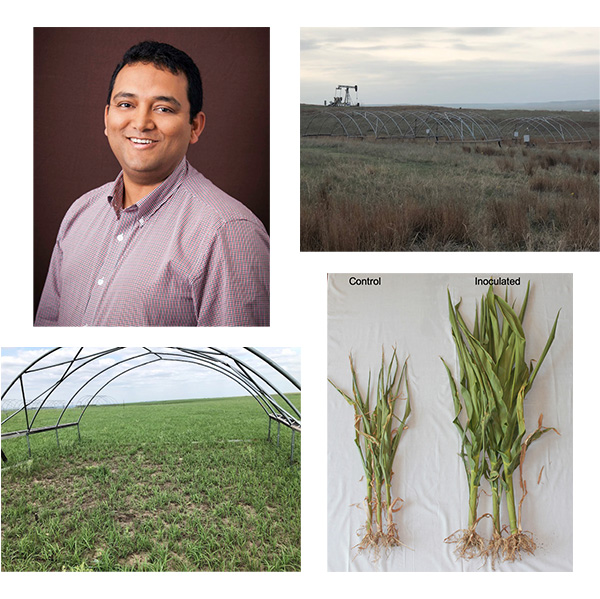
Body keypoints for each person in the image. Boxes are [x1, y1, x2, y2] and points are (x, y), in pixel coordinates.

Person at [35, 41, 269, 327]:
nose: (142, 122)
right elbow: (47, 324)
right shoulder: (79, 213)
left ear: (195, 126)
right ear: (107, 118)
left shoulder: (228, 233)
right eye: (126, 105)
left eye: (163, 109)